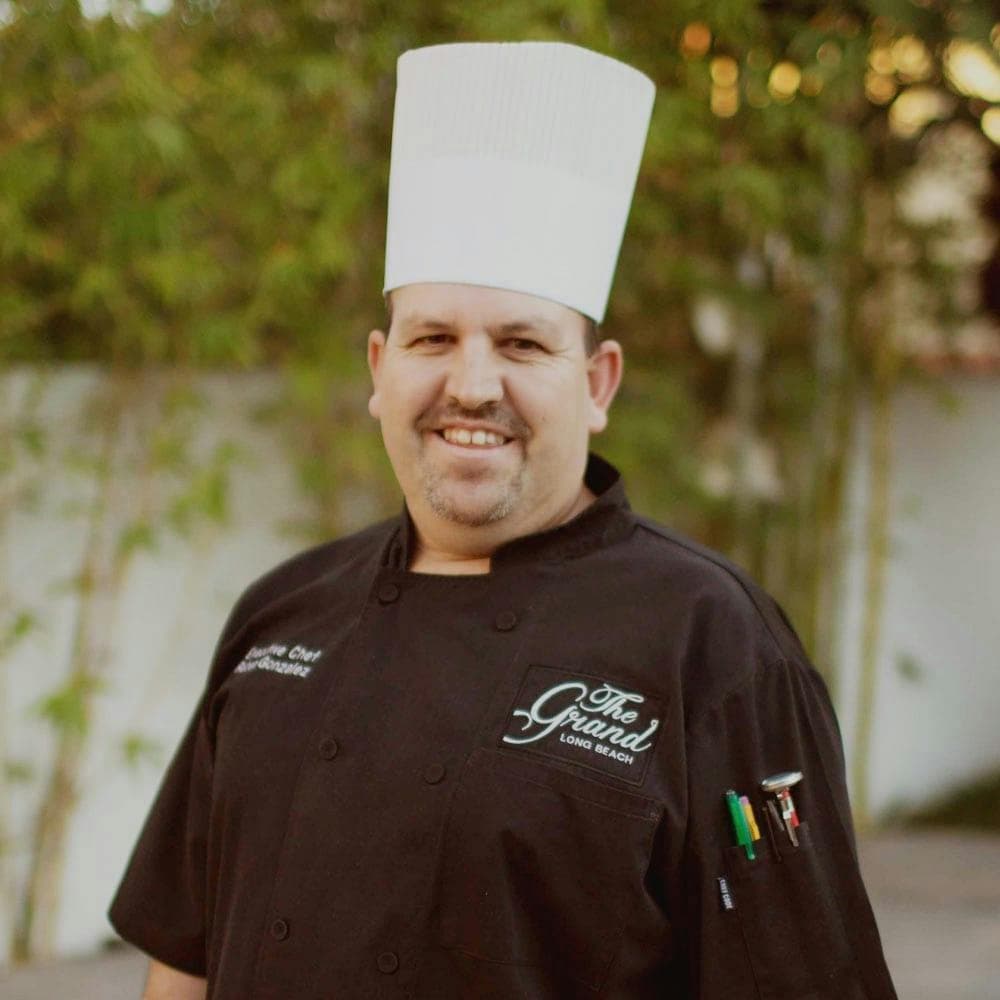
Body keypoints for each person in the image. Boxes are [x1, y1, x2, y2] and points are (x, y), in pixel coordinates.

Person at [109, 42, 898, 999]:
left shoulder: (714, 645)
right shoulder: (281, 614)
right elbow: (183, 959)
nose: (472, 385)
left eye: (522, 343)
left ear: (598, 382)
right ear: (378, 369)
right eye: (433, 338)